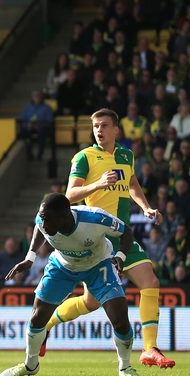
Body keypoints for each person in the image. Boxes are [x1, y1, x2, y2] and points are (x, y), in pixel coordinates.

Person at [43, 108, 173, 368]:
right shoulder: (84, 158)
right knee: (90, 302)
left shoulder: (126, 155)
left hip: (122, 234)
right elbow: (68, 197)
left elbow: (132, 183)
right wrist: (98, 184)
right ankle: (47, 324)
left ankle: (150, 349)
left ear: (116, 130)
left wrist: (145, 207)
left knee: (150, 281)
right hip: (96, 236)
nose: (99, 130)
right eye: (95, 126)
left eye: (104, 125)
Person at [0, 194, 138, 376]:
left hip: (98, 265)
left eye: (48, 220)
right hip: (62, 266)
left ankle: (125, 369)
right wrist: (30, 258)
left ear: (64, 217)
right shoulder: (44, 220)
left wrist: (120, 256)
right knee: (37, 318)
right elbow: (39, 228)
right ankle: (30, 365)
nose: (44, 224)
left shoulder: (95, 219)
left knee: (120, 320)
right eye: (42, 219)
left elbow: (125, 231)